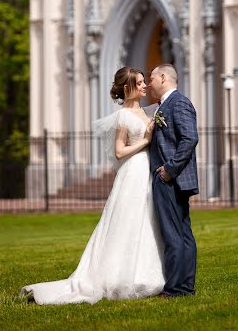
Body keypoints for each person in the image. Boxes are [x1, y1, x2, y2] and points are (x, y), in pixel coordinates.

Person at [20, 67, 164, 304]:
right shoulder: (123, 117)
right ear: (128, 88)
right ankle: (120, 275)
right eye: (139, 83)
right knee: (128, 220)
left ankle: (148, 271)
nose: (144, 86)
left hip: (147, 169)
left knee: (146, 219)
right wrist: (146, 141)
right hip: (134, 170)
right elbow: (119, 152)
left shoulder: (148, 111)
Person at [148, 64, 199, 298]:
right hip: (172, 178)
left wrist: (169, 170)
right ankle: (185, 286)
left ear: (163, 78)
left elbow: (189, 139)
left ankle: (175, 288)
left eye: (151, 79)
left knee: (173, 235)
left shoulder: (178, 103)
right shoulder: (165, 105)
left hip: (171, 179)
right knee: (183, 233)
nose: (149, 84)